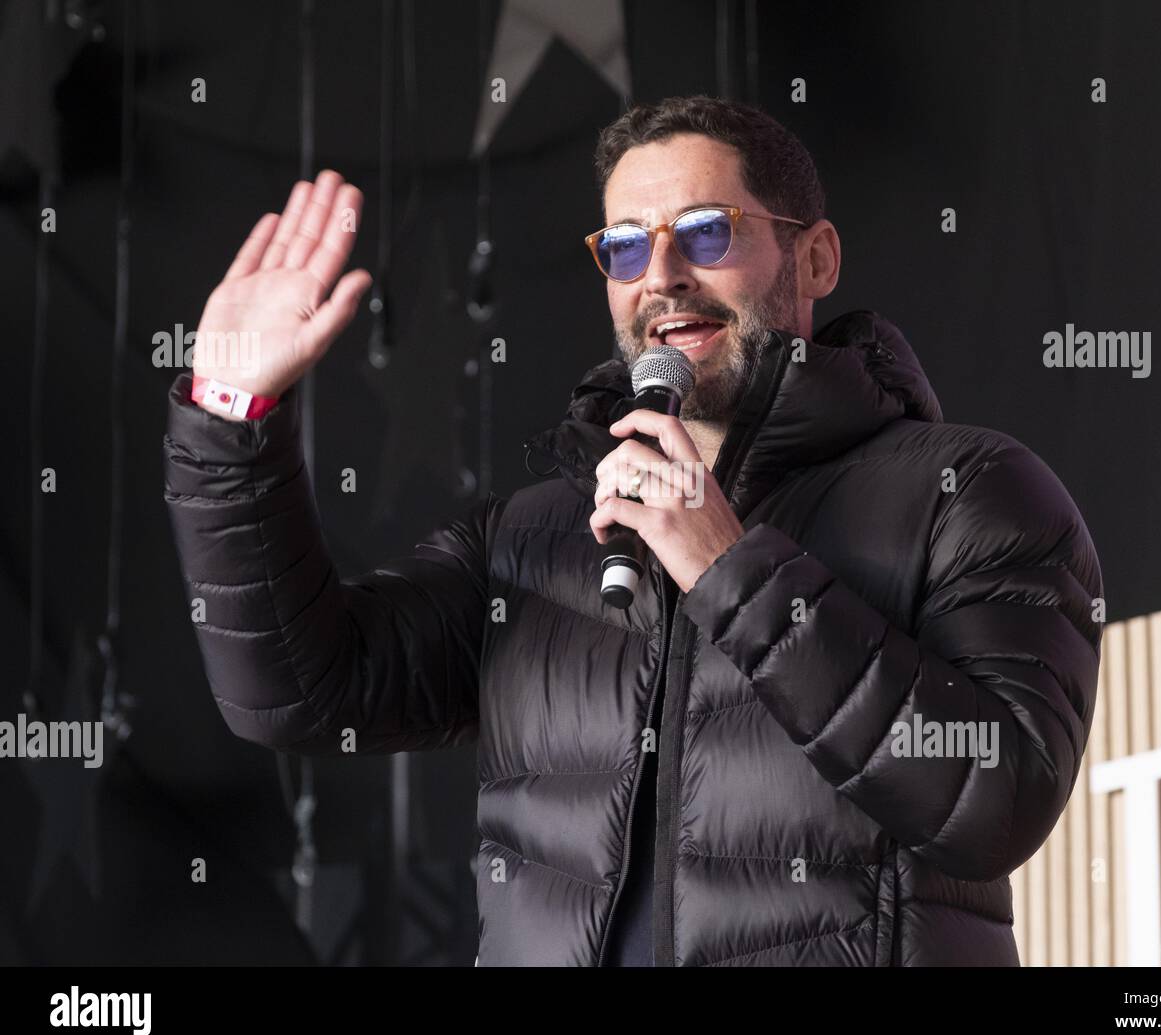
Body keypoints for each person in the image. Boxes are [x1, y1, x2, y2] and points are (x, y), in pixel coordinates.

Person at [163, 95, 1103, 966]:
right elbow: (295, 694)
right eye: (624, 246)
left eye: (705, 231)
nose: (661, 276)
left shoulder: (968, 491)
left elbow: (995, 799)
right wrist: (227, 413)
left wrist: (731, 570)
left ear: (813, 258)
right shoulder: (533, 537)